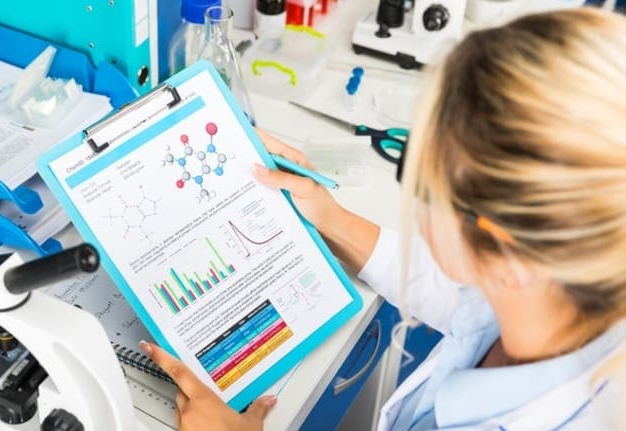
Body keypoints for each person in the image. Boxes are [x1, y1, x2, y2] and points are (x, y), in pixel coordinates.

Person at [139, 7, 626, 430]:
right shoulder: (566, 293)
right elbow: (467, 305)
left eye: (426, 182)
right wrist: (330, 216)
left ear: (505, 251)